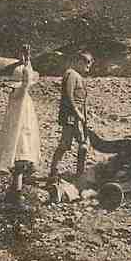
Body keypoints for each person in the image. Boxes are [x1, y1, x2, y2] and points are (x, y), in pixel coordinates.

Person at [0, 47, 41, 206]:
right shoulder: (20, 94)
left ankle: (14, 192)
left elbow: (26, 81)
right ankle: (17, 195)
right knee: (20, 159)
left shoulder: (15, 95)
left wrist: (27, 62)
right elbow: (27, 81)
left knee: (18, 161)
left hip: (16, 130)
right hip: (21, 130)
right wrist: (27, 64)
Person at [49, 51, 94, 179]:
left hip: (79, 117)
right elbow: (68, 96)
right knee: (65, 144)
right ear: (79, 61)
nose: (88, 67)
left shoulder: (79, 77)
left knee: (83, 144)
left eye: (89, 64)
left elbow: (82, 101)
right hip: (71, 116)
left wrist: (85, 116)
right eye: (86, 63)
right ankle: (53, 171)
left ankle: (80, 173)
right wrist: (77, 112)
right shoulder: (71, 74)